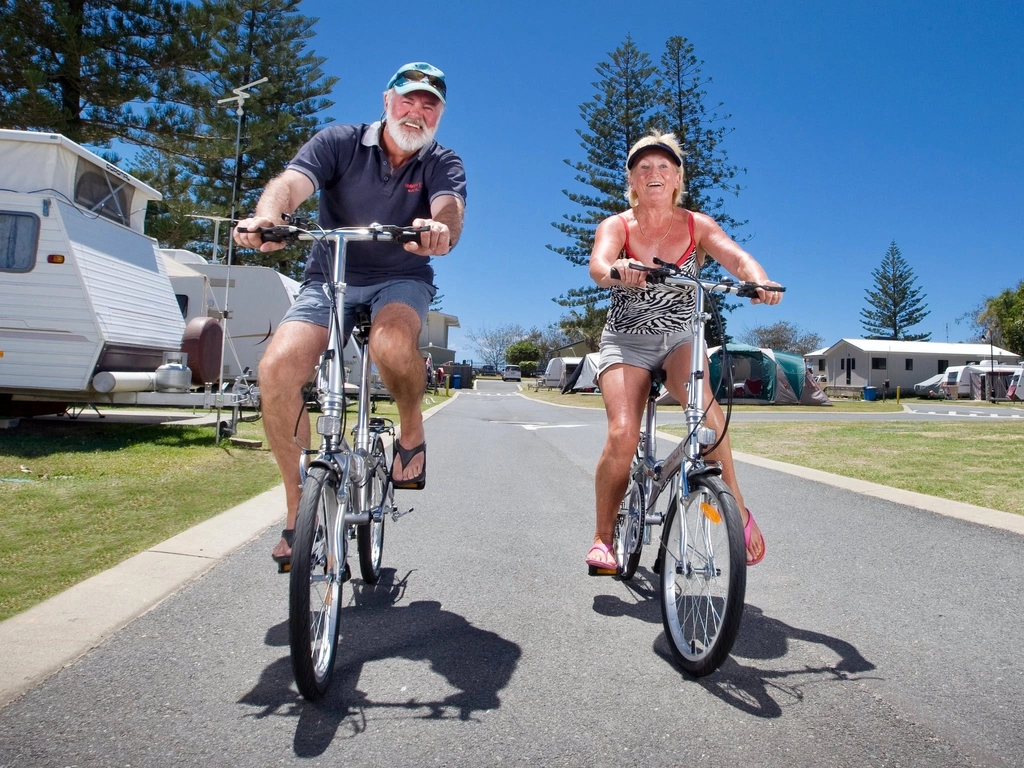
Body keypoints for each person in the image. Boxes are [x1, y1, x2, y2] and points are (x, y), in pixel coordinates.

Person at [234, 62, 466, 567]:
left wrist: (439, 229)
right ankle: (300, 515)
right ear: (387, 101)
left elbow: (449, 209)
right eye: (408, 99)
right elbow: (290, 184)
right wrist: (267, 218)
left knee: (389, 344)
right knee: (276, 370)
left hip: (402, 277)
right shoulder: (338, 141)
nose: (417, 111)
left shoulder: (441, 162)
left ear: (439, 115)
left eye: (430, 105)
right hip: (328, 275)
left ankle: (410, 428)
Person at [585, 131, 781, 574]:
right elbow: (599, 265)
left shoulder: (697, 225)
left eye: (664, 167)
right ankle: (601, 537)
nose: (654, 174)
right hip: (626, 341)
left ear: (677, 179)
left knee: (709, 413)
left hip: (680, 338)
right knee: (622, 433)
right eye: (644, 168)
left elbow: (735, 257)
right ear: (632, 181)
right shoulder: (617, 225)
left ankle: (737, 506)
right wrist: (617, 269)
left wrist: (760, 279)